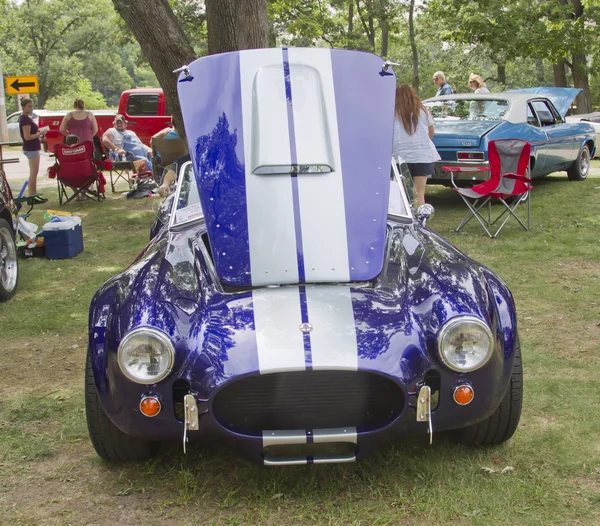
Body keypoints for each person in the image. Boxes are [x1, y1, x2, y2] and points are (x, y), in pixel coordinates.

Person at [392, 84, 440, 207]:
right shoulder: (423, 111)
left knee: (400, 193)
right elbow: (431, 132)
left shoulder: (392, 112)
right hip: (422, 156)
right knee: (419, 193)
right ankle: (420, 222)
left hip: (399, 156)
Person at [18, 98, 49, 202]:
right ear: (23, 107)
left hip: (34, 147)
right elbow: (27, 136)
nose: (31, 108)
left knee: (34, 173)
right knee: (33, 173)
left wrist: (40, 135)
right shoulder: (24, 119)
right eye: (29, 106)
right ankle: (32, 196)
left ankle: (34, 194)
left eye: (32, 106)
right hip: (30, 148)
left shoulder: (28, 118)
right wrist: (39, 134)